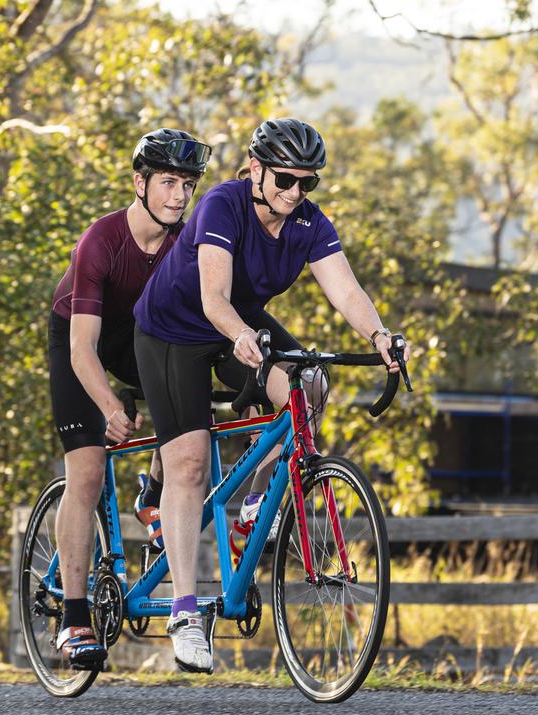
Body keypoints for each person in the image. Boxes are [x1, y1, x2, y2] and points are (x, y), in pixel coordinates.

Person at [132, 117, 407, 673]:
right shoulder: (221, 206)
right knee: (188, 464)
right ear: (255, 169)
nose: (295, 192)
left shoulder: (307, 221)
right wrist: (238, 337)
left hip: (242, 323)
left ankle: (252, 511)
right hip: (175, 329)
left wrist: (379, 336)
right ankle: (186, 612)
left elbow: (345, 289)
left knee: (309, 385)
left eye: (308, 183)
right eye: (285, 179)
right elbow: (213, 297)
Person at [47, 128, 211, 669]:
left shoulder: (183, 243)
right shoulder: (102, 240)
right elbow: (82, 349)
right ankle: (73, 618)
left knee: (188, 411)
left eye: (187, 186)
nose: (179, 197)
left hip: (143, 339)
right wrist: (112, 408)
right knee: (89, 473)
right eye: (168, 183)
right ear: (139, 183)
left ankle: (154, 495)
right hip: (84, 341)